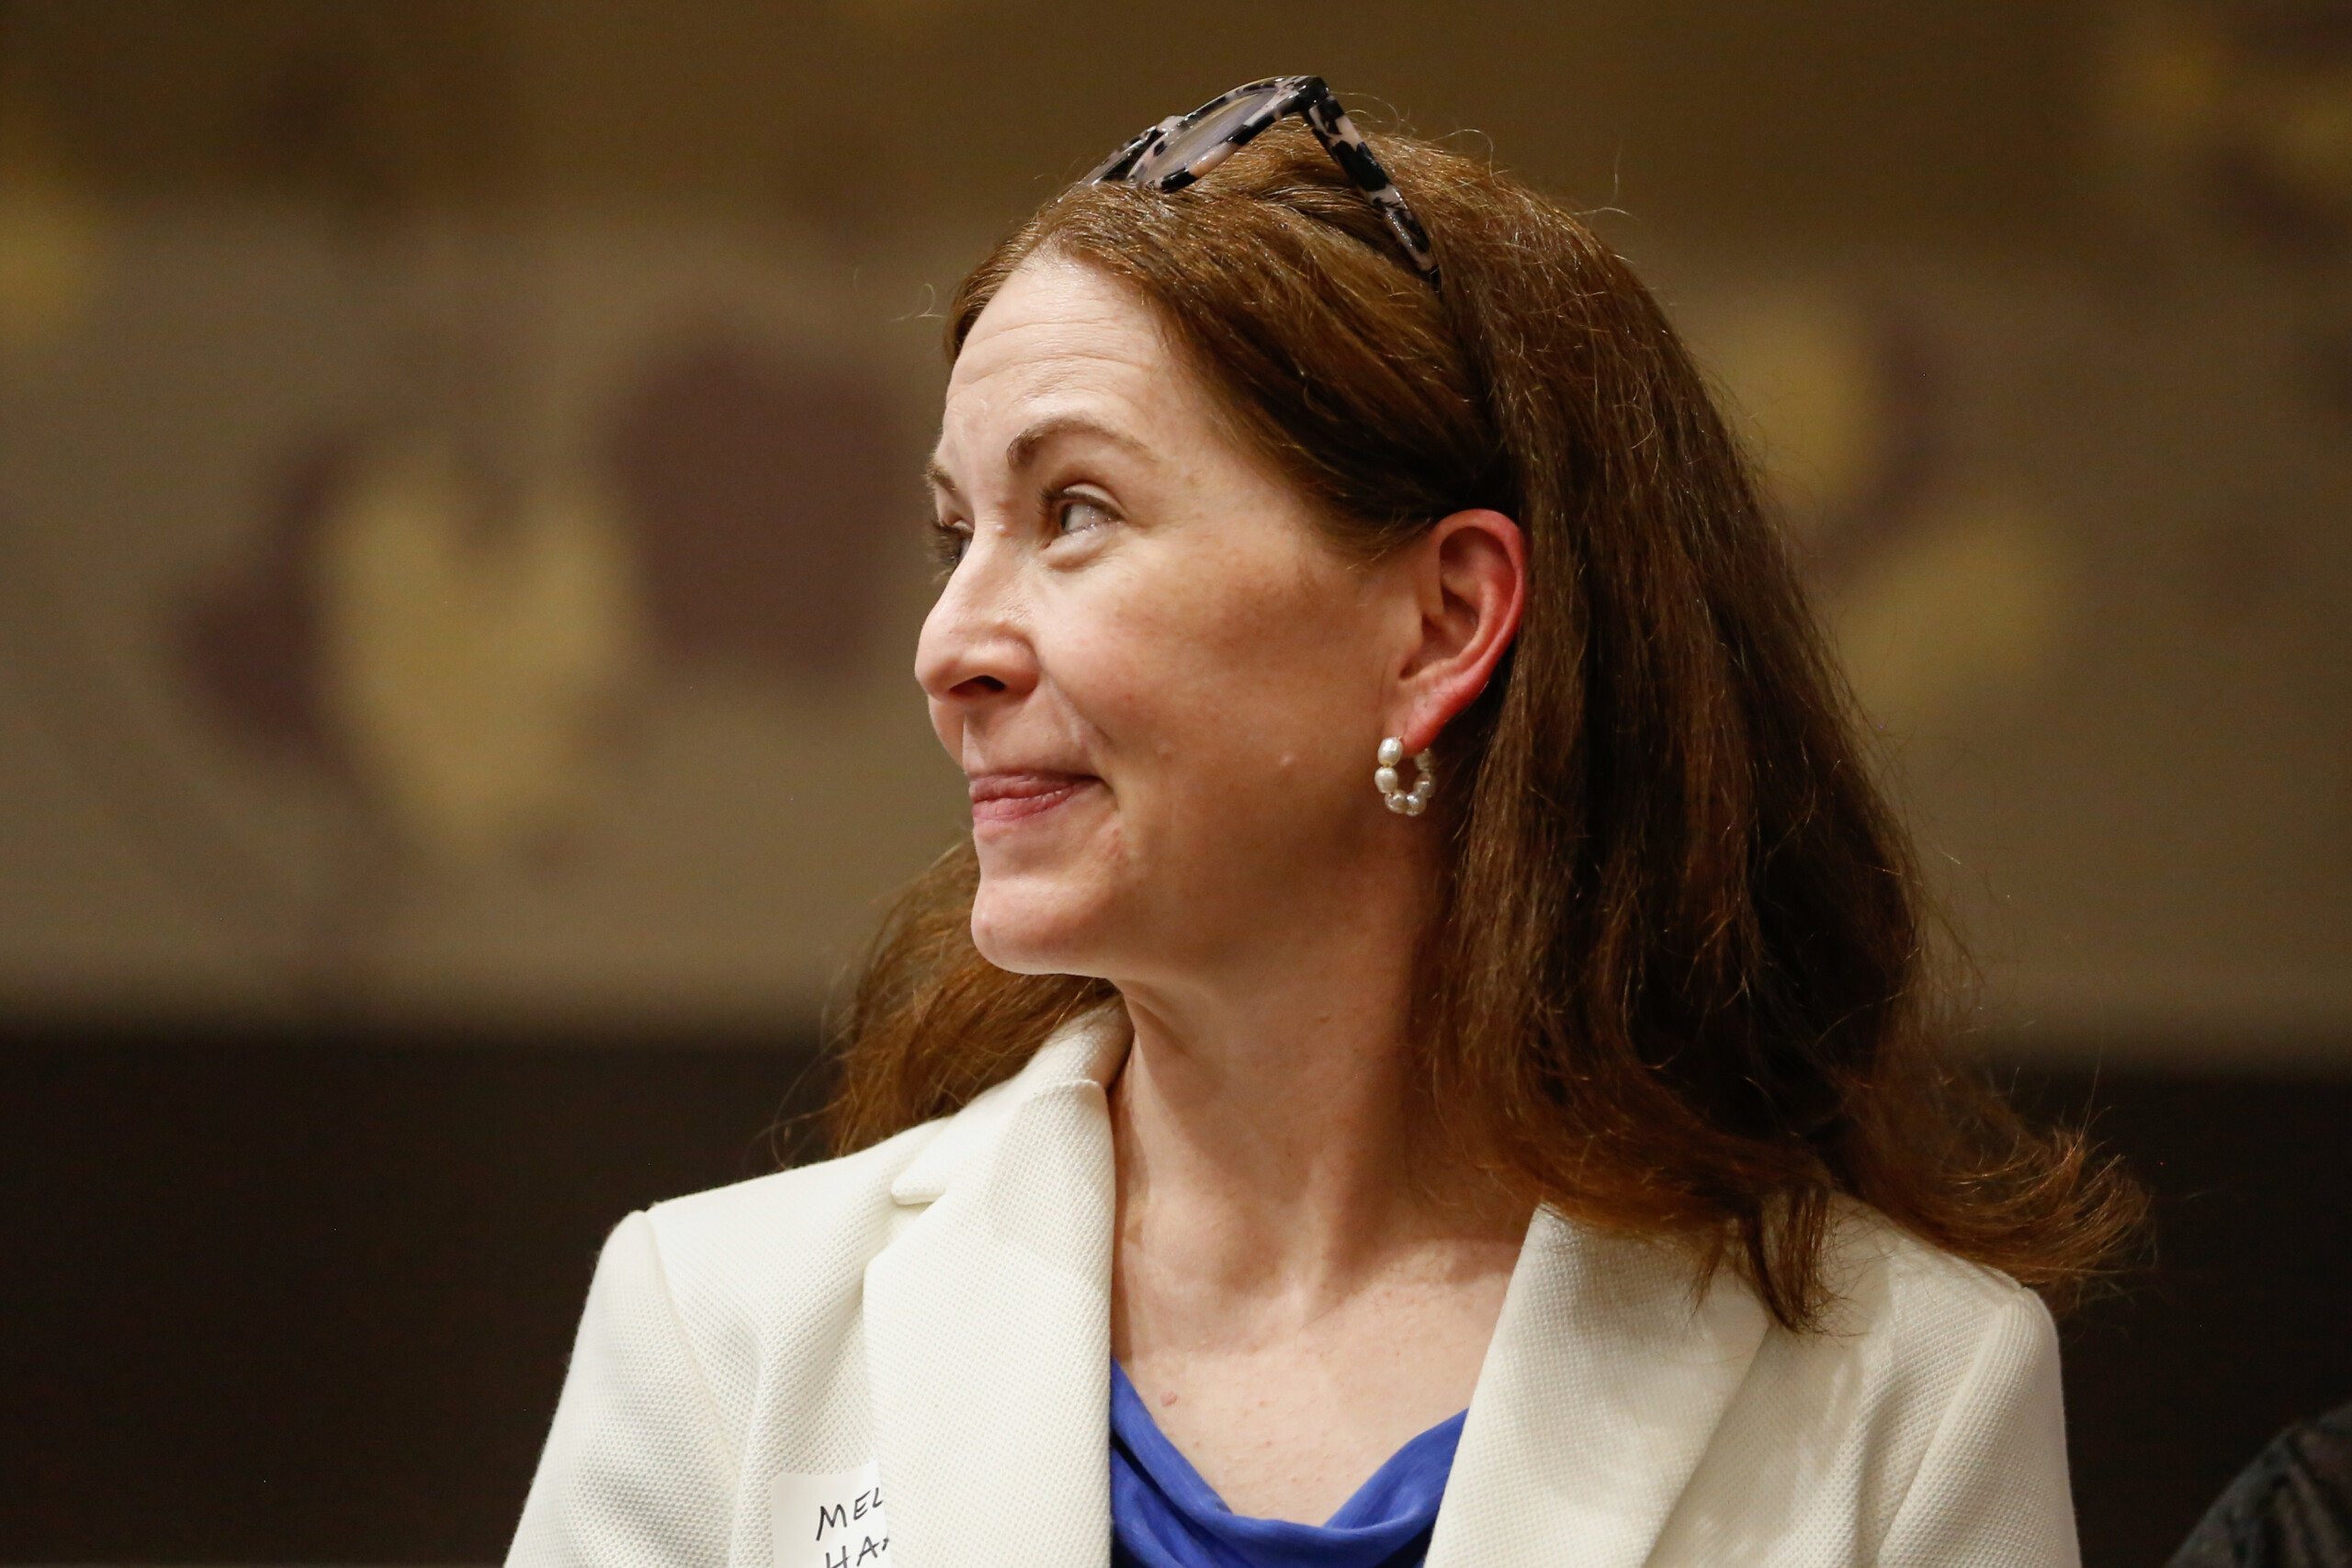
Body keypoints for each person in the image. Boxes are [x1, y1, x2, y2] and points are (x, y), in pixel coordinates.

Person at [508, 78, 2139, 1568]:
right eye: (957, 535)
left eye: (1075, 510)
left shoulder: (1907, 1394)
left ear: (1441, 623)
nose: (949, 649)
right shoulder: (723, 1331)